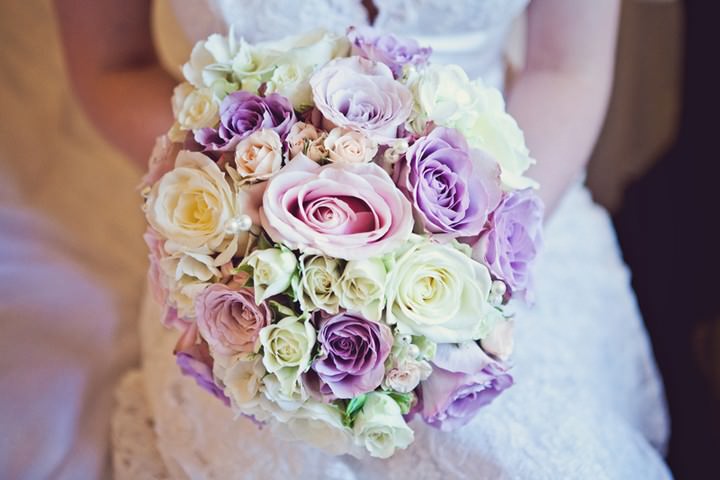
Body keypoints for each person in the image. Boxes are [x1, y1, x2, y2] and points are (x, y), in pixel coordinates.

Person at [47, 0, 671, 477]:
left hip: (516, 186)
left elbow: (567, 69)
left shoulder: (498, 214)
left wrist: (479, 237)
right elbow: (111, 66)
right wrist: (249, 201)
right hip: (245, 260)